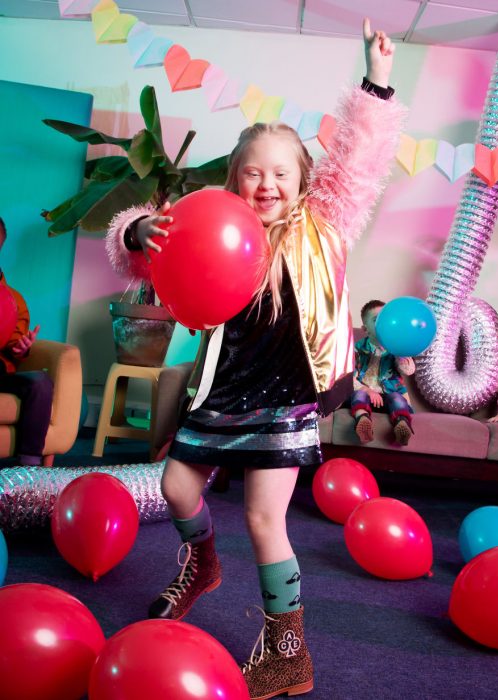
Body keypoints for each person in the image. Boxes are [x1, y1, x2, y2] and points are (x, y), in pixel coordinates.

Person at [106, 18, 406, 699]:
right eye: (251, 173)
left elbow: (357, 157)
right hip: (225, 390)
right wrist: (138, 232)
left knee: (266, 519)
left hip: (287, 396)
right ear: (233, 181)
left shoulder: (320, 223)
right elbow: (141, 247)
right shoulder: (214, 221)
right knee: (179, 489)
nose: (265, 183)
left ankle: (287, 649)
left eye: (279, 172)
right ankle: (202, 564)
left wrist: (376, 80)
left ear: (302, 179)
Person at [0, 217, 54, 466]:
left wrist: (20, 348)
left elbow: (12, 342)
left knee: (41, 382)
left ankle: (29, 472)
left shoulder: (13, 301)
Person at [351, 299, 415, 446]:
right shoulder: (357, 349)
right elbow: (350, 376)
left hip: (387, 396)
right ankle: (363, 421)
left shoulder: (395, 348)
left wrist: (399, 351)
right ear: (365, 329)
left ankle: (402, 424)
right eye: (376, 320)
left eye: (385, 319)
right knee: (359, 395)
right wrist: (366, 390)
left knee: (397, 398)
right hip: (365, 394)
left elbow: (409, 370)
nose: (382, 324)